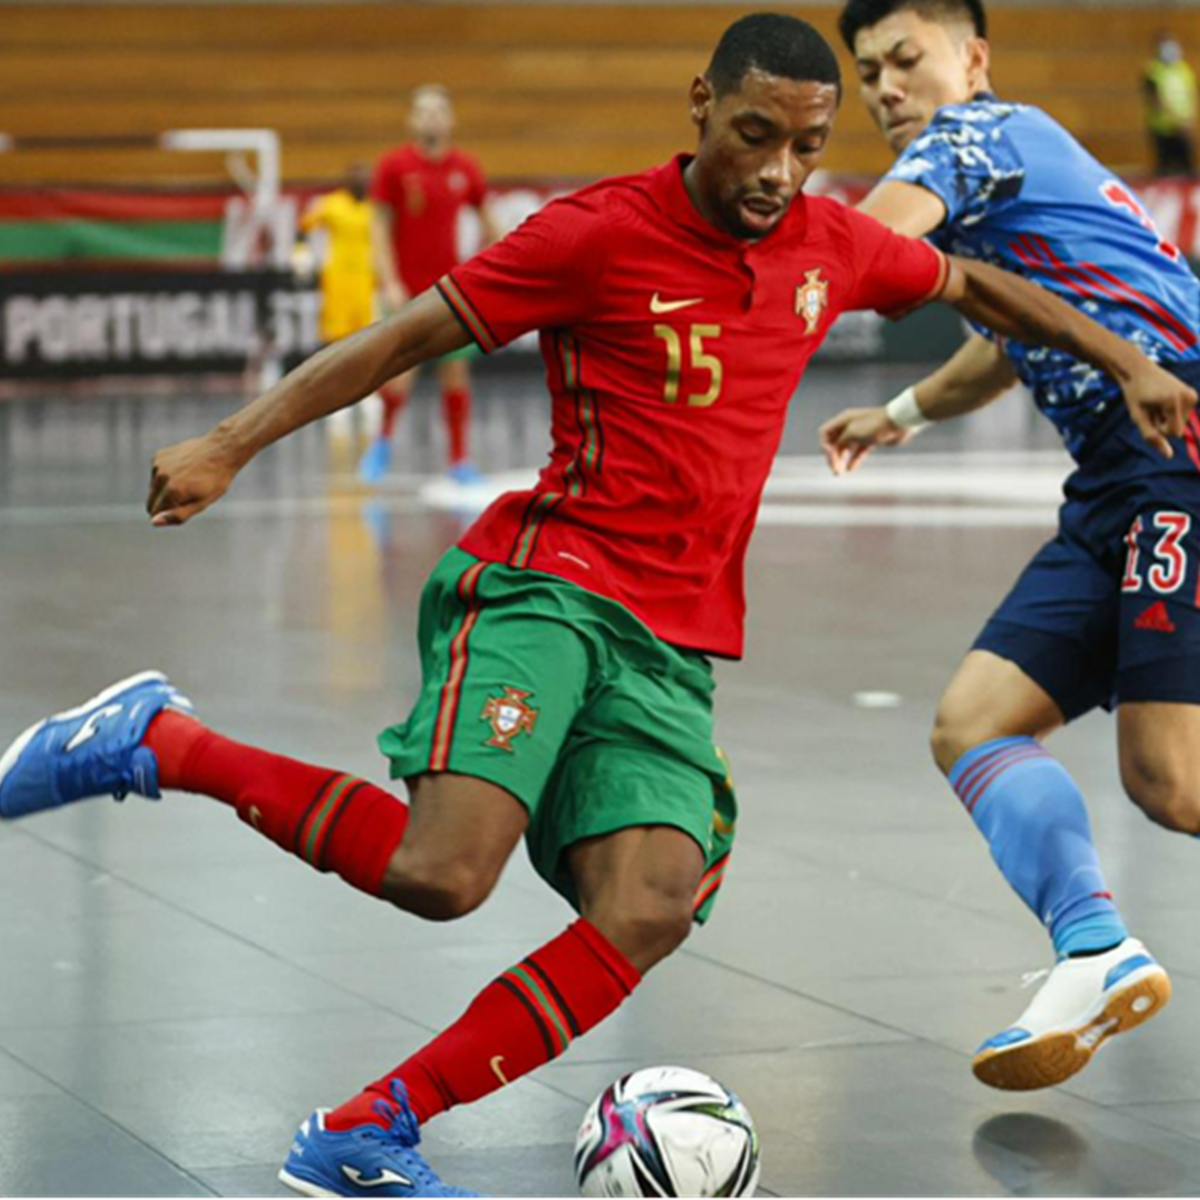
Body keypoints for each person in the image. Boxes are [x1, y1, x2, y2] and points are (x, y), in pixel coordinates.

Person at [2, 14, 1193, 1199]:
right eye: (754, 135)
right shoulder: (596, 233)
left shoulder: (831, 242)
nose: (779, 171)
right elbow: (397, 342)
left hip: (674, 646)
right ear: (699, 105)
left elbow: (982, 283)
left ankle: (366, 1131)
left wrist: (1128, 362)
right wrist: (227, 442)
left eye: (807, 146)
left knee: (651, 905)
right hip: (549, 590)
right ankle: (161, 742)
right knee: (441, 876)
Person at [824, 0, 1200, 1094]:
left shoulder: (975, 140)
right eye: (869, 72)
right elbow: (1004, 337)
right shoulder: (1000, 189)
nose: (888, 87)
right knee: (973, 725)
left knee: (1171, 780)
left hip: (1179, 453)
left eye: (908, 59)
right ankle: (1095, 949)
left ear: (972, 59)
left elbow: (861, 244)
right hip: (1116, 485)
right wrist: (895, 415)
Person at [362, 85, 501, 487]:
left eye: (439, 111)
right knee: (398, 375)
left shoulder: (466, 168)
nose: (432, 118)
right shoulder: (394, 167)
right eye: (423, 111)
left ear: (451, 119)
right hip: (406, 291)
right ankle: (382, 443)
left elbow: (491, 226)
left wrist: (480, 270)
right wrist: (389, 281)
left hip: (451, 292)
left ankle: (459, 459)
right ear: (411, 120)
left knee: (454, 374)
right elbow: (379, 227)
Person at [296, 162, 378, 348]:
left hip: (366, 277)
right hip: (338, 275)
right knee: (336, 334)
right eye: (358, 178)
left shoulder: (374, 208)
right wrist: (301, 255)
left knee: (365, 335)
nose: (363, 183)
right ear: (348, 181)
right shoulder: (332, 204)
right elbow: (303, 227)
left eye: (366, 179)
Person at [1143, 32, 1197, 177]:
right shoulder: (1153, 70)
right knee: (1165, 169)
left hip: (1183, 128)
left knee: (1186, 169)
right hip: (1163, 128)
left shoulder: (1184, 70)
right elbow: (1154, 99)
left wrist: (1189, 121)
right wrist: (1173, 120)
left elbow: (1190, 96)